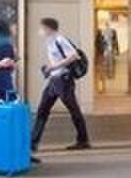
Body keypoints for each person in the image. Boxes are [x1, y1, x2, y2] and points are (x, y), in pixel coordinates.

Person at [31, 18, 91, 152]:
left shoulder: (60, 39)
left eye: (42, 28)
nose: (40, 31)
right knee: (42, 109)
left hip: (64, 81)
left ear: (48, 28)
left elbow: (74, 56)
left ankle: (83, 140)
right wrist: (49, 69)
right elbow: (57, 59)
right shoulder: (50, 41)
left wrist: (54, 67)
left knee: (73, 109)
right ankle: (33, 142)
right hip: (54, 80)